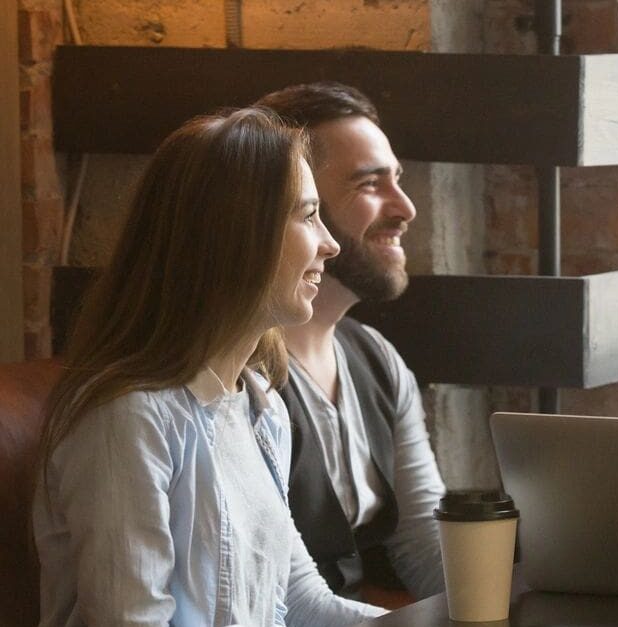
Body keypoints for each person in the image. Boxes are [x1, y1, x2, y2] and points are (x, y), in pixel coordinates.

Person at [33, 108, 386, 624]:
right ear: (237, 233)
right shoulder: (128, 422)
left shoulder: (259, 405)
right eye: (308, 216)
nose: (330, 245)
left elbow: (303, 603)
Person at [254, 82, 445, 602]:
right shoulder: (235, 370)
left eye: (397, 180)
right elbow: (276, 592)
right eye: (369, 184)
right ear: (294, 206)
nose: (405, 207)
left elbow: (423, 540)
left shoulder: (376, 358)